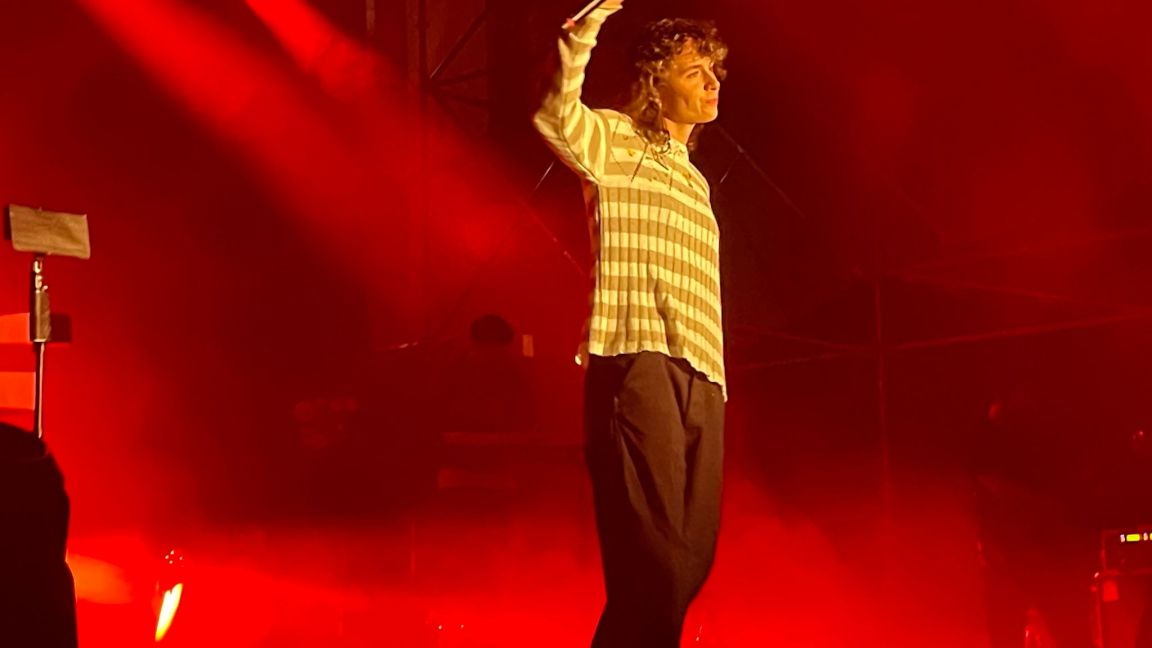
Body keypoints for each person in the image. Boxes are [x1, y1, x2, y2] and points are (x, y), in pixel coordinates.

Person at [533, 2, 729, 646]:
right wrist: (582, 32)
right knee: (656, 561)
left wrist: (714, 380)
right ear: (654, 81)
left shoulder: (695, 181)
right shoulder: (614, 140)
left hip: (701, 374)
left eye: (714, 71)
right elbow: (555, 114)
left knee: (688, 560)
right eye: (695, 71)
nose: (712, 82)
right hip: (635, 357)